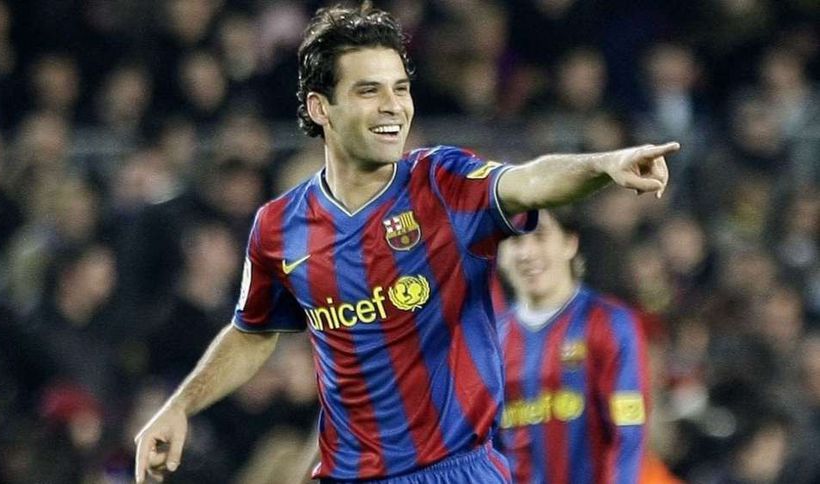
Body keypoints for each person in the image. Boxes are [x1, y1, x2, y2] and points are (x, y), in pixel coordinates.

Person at [134, 3, 678, 483]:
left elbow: (529, 180)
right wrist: (180, 406)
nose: (393, 105)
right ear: (321, 108)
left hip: (459, 471)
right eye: (369, 90)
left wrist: (604, 165)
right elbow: (253, 333)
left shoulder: (442, 182)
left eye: (400, 88)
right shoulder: (278, 227)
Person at [495, 207, 661, 483]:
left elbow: (628, 433)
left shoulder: (609, 323)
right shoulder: (490, 341)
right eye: (515, 240)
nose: (527, 252)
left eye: (540, 236)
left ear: (569, 243)